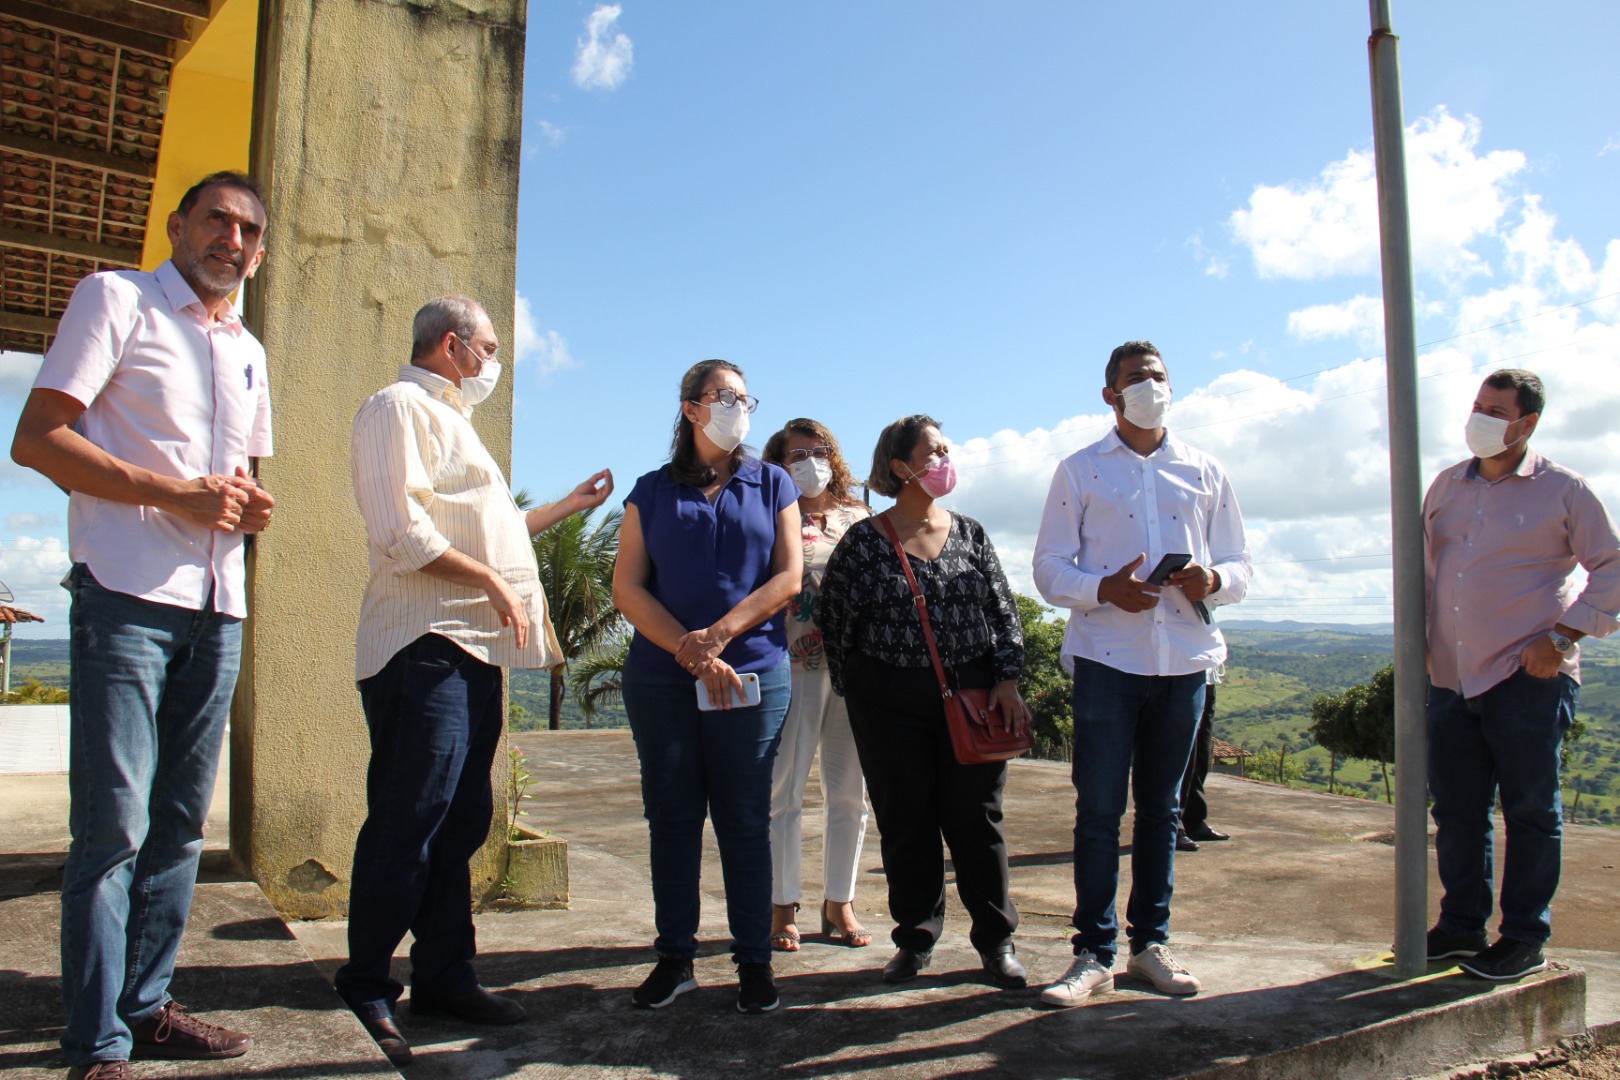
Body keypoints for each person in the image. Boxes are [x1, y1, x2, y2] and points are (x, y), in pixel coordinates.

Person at [11, 171, 274, 1079]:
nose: (232, 241)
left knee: (180, 826)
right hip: (124, 596)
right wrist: (173, 493)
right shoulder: (115, 299)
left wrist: (245, 510)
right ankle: (96, 1044)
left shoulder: (250, 349)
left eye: (249, 231)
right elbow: (38, 438)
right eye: (217, 220)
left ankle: (148, 1005)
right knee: (113, 828)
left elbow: (232, 483)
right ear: (178, 225)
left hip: (219, 607)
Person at [339, 295, 612, 1063]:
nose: (495, 362)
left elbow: (491, 531)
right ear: (454, 345)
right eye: (490, 348)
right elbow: (402, 530)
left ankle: (445, 977)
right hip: (422, 642)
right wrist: (492, 586)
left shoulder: (458, 424)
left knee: (459, 823)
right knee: (410, 816)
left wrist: (570, 505)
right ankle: (365, 982)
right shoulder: (396, 408)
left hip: (473, 651)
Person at [1032, 340, 1250, 1007]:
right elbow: (1048, 569)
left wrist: (1212, 577)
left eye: (1158, 377)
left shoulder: (1205, 470)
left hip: (1182, 662)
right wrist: (1104, 590)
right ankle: (1092, 954)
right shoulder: (1080, 471)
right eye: (1135, 379)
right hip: (1107, 661)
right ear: (1110, 395)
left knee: (1163, 811)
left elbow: (1242, 566)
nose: (1150, 387)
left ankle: (1149, 946)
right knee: (1099, 810)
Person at [611, 360, 802, 1014]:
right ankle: (676, 958)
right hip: (663, 677)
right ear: (691, 408)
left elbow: (788, 578)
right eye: (725, 396)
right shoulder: (651, 491)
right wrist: (691, 654)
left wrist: (718, 637)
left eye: (746, 397)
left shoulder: (772, 482)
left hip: (752, 673)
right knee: (672, 818)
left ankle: (754, 960)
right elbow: (627, 587)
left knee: (746, 820)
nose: (739, 407)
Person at [818, 414, 1033, 990]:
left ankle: (996, 943)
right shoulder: (865, 541)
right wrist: (861, 694)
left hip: (975, 694)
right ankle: (915, 940)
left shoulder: (971, 533)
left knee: (977, 821)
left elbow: (1004, 612)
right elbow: (835, 622)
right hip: (888, 700)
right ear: (900, 466)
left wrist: (1007, 681)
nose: (944, 459)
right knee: (905, 821)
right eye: (932, 451)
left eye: (945, 449)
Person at [1422, 368, 1620, 981]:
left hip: (1526, 676)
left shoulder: (1564, 490)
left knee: (1531, 810)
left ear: (1527, 422)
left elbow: (1612, 568)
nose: (1478, 419)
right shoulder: (1446, 486)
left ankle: (1524, 937)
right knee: (1456, 811)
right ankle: (1461, 927)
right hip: (1452, 676)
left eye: (1494, 410)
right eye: (1476, 405)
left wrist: (1562, 637)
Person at [761, 419, 873, 952]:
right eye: (796, 454)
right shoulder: (770, 515)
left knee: (849, 791)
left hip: (853, 669)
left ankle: (840, 902)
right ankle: (782, 905)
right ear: (779, 464)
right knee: (784, 788)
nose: (810, 461)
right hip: (791, 666)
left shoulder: (861, 517)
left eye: (818, 450)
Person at [1175, 667, 1230, 852]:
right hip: (1182, 675)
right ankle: (1173, 826)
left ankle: (1194, 821)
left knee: (1200, 755)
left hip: (1206, 678)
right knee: (1182, 758)